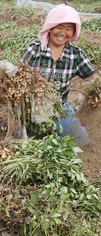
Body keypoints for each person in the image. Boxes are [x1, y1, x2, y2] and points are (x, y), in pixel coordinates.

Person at [19, 4, 98, 146]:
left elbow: (93, 77)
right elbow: (16, 79)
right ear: (50, 27)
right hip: (33, 108)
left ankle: (63, 122)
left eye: (69, 29)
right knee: (24, 142)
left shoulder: (75, 54)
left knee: (81, 139)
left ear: (74, 32)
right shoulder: (34, 50)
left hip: (59, 108)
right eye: (59, 27)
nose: (63, 33)